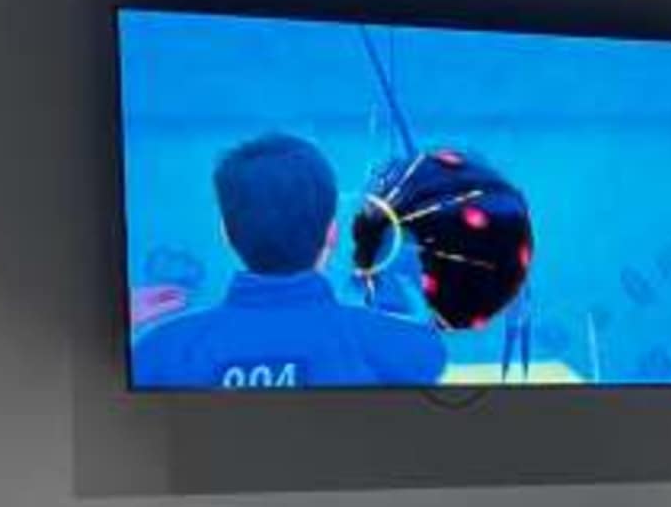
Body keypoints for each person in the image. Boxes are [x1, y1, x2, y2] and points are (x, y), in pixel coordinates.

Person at [131, 132, 451, 391]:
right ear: (332, 233)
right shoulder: (405, 347)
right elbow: (427, 354)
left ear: (227, 232)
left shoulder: (159, 352)